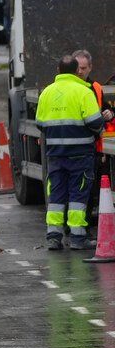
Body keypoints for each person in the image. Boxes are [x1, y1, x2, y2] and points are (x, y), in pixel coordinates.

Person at [34, 49, 112, 250]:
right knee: (78, 196)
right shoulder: (84, 91)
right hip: (80, 154)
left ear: (58, 70)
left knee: (57, 195)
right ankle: (78, 238)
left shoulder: (47, 92)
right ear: (77, 70)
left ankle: (54, 236)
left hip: (55, 154)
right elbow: (94, 122)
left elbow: (40, 123)